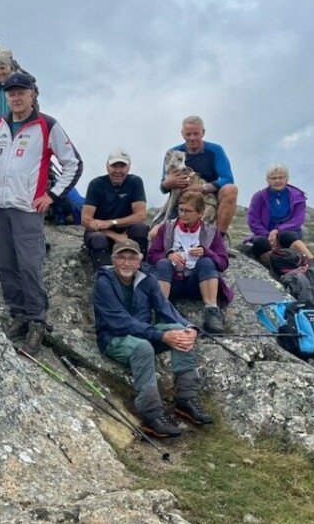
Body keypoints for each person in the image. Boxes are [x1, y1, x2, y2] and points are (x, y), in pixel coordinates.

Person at [0, 73, 82, 355]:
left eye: (22, 92)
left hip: (27, 208)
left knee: (30, 266)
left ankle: (36, 320)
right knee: (5, 264)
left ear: (33, 94)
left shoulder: (46, 125)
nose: (16, 97)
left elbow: (73, 164)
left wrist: (51, 195)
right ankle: (19, 313)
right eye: (11, 93)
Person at [93, 239, 214, 438]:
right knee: (143, 348)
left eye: (132, 258)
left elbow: (164, 307)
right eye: (121, 257)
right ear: (113, 260)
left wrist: (189, 327)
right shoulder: (104, 283)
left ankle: (187, 398)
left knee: (180, 333)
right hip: (115, 338)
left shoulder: (147, 278)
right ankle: (152, 414)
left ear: (139, 262)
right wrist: (160, 335)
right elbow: (120, 322)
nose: (126, 263)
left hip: (145, 333)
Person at [146, 192, 232, 333]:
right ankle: (162, 312)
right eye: (181, 210)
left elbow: (223, 263)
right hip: (172, 281)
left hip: (196, 283)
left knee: (206, 262)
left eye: (188, 211)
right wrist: (168, 255)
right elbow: (151, 256)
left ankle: (212, 312)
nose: (183, 214)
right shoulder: (166, 228)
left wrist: (206, 252)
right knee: (162, 264)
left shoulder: (211, 232)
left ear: (200, 213)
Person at [161, 115, 238, 237]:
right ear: (182, 134)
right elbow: (163, 187)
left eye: (196, 134)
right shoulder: (174, 152)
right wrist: (168, 183)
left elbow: (228, 179)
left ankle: (219, 238)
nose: (192, 138)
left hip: (208, 196)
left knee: (231, 190)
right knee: (155, 235)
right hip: (181, 199)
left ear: (203, 132)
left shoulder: (215, 150)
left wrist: (203, 188)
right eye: (188, 134)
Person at [82, 148, 149, 267]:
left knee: (141, 228)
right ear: (107, 166)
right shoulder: (96, 184)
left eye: (122, 166)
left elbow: (141, 216)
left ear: (128, 167)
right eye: (114, 166)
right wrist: (115, 236)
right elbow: (86, 219)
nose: (118, 171)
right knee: (98, 238)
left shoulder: (135, 182)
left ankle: (141, 267)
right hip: (101, 232)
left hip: (125, 231)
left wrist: (111, 222)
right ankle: (105, 275)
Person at [246, 163, 314, 265]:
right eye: (273, 178)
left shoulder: (297, 196)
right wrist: (268, 235)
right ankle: (276, 267)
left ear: (287, 179)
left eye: (281, 177)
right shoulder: (259, 197)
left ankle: (313, 263)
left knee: (286, 236)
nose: (277, 181)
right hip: (266, 234)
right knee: (259, 242)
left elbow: (297, 220)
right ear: (268, 180)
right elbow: (253, 221)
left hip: (289, 232)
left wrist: (278, 230)